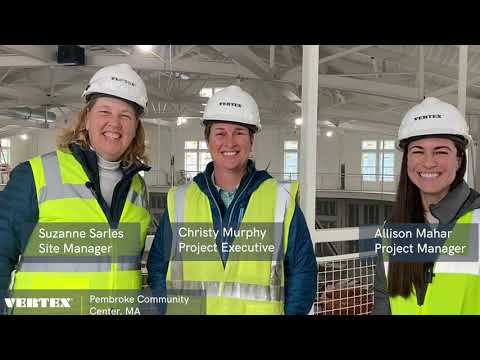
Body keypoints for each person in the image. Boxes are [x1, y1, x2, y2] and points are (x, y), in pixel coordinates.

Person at [148, 85, 317, 315]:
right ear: (208, 140)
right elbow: (159, 266)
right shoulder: (180, 200)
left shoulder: (280, 200)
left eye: (239, 132)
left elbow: (302, 273)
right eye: (220, 133)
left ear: (251, 140)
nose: (230, 142)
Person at [0, 63, 152, 314]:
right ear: (86, 118)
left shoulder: (138, 188)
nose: (115, 124)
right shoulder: (36, 176)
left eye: (125, 115)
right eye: (105, 111)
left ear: (136, 127)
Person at [385, 97, 480, 314]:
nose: (428, 162)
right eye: (418, 151)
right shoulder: (392, 228)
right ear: (407, 160)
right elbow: (384, 302)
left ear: (458, 159)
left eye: (441, 151)